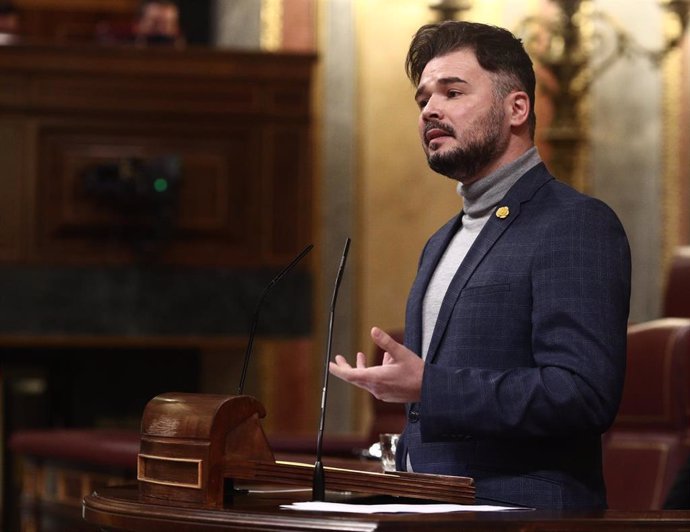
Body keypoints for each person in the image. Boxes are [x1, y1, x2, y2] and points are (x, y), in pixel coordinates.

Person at [329, 21, 631, 510]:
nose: (430, 109)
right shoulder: (440, 241)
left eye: (452, 91)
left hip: (522, 517)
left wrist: (430, 385)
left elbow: (583, 393)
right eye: (423, 98)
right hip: (428, 511)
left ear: (516, 108)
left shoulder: (574, 223)